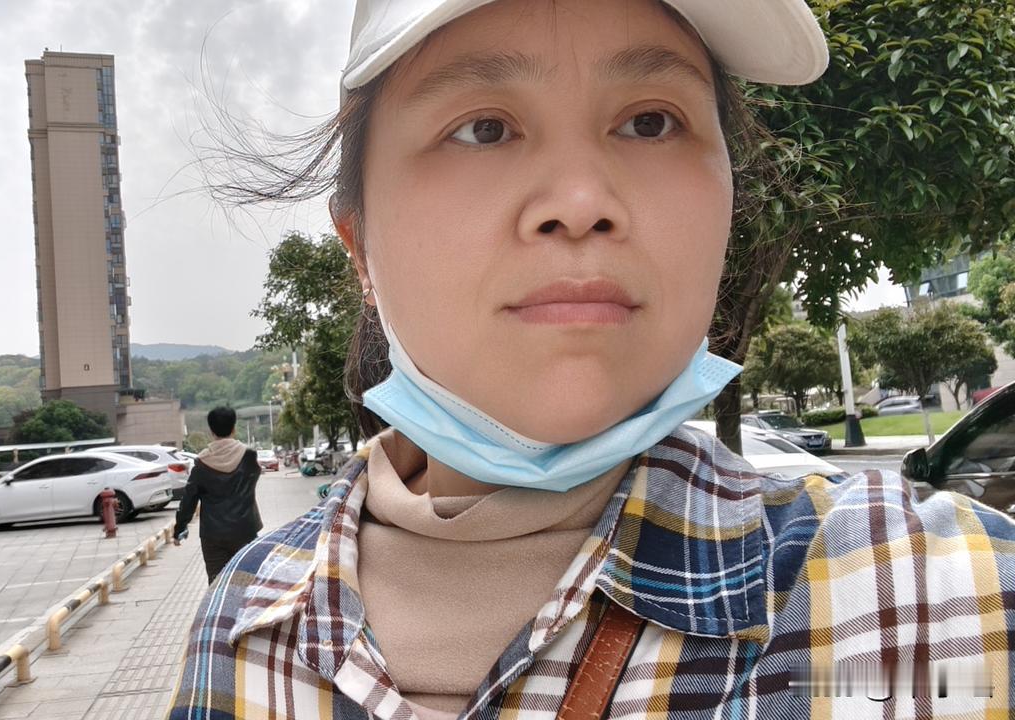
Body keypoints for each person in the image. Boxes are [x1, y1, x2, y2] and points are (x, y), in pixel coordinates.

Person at [168, 1, 1015, 718]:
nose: (580, 203)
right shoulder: (246, 632)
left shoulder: (925, 598)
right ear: (358, 245)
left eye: (651, 122)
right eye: (484, 129)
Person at [173, 406, 264, 582]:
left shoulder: (201, 463)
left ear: (211, 431)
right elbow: (254, 477)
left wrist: (179, 529)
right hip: (245, 530)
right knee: (248, 582)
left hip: (213, 536)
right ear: (234, 428)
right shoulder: (249, 457)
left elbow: (189, 500)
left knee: (217, 585)